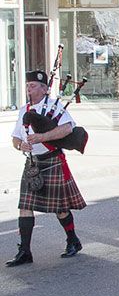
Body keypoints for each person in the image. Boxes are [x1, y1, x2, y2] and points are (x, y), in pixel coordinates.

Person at [7, 70, 86, 267]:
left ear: (44, 89)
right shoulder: (24, 110)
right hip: (33, 162)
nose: (29, 89)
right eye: (27, 86)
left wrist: (42, 137)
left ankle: (73, 240)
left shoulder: (54, 106)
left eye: (33, 86)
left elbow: (68, 128)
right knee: (24, 206)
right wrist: (20, 145)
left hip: (52, 160)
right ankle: (25, 251)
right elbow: (16, 137)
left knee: (60, 208)